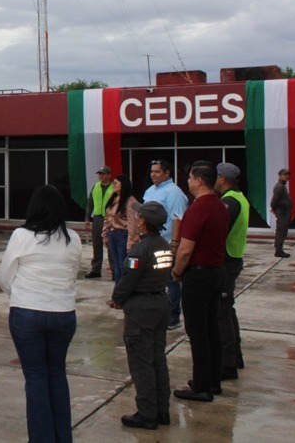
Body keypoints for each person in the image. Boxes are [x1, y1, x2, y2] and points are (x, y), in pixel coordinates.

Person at [0, 185, 82, 443]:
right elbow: (73, 273)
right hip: (63, 313)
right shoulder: (73, 238)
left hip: (27, 313)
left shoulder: (21, 235)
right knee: (57, 373)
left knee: (35, 377)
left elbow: (4, 276)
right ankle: (62, 437)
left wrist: (20, 295)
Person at [108, 201, 173, 430]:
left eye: (139, 216)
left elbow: (128, 280)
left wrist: (117, 298)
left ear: (144, 222)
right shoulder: (164, 245)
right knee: (157, 359)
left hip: (142, 308)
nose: (136, 219)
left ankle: (147, 413)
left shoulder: (140, 249)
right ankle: (162, 410)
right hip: (160, 302)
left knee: (141, 363)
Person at [172, 161, 229, 403]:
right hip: (216, 272)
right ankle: (213, 380)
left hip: (198, 274)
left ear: (198, 181)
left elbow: (186, 249)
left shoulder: (198, 209)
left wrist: (176, 271)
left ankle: (201, 386)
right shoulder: (219, 205)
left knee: (197, 331)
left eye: (190, 178)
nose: (187, 182)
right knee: (211, 328)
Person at [142, 159, 188, 330]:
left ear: (167, 173)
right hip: (149, 243)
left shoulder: (174, 193)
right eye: (152, 171)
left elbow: (178, 219)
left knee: (170, 281)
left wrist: (174, 245)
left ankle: (173, 317)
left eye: (157, 172)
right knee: (153, 281)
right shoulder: (150, 191)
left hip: (166, 244)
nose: (153, 175)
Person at [215, 162, 249, 380]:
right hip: (234, 258)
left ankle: (227, 363)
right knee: (227, 309)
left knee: (221, 312)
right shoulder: (240, 198)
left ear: (222, 179)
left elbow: (219, 229)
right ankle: (235, 356)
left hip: (227, 261)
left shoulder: (229, 202)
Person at [102, 174, 139, 284]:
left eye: (116, 183)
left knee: (123, 266)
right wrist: (105, 233)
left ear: (123, 185)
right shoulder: (113, 198)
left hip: (122, 235)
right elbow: (108, 217)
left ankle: (124, 290)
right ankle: (118, 290)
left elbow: (132, 222)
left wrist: (131, 241)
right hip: (112, 234)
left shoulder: (130, 201)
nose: (113, 185)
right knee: (116, 266)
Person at [83, 166, 115, 279]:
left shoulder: (114, 187)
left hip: (110, 218)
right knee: (97, 244)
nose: (101, 176)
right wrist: (87, 217)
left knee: (110, 244)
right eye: (99, 174)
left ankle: (114, 270)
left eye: (103, 174)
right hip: (97, 218)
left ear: (109, 175)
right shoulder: (95, 186)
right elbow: (90, 203)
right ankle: (96, 269)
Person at [271, 168, 292, 258]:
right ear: (280, 176)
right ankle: (278, 250)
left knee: (283, 231)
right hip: (282, 211)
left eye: (287, 175)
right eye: (285, 175)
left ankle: (279, 249)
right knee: (281, 231)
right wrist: (274, 208)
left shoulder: (282, 186)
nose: (287, 176)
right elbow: (274, 200)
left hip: (284, 211)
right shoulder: (280, 187)